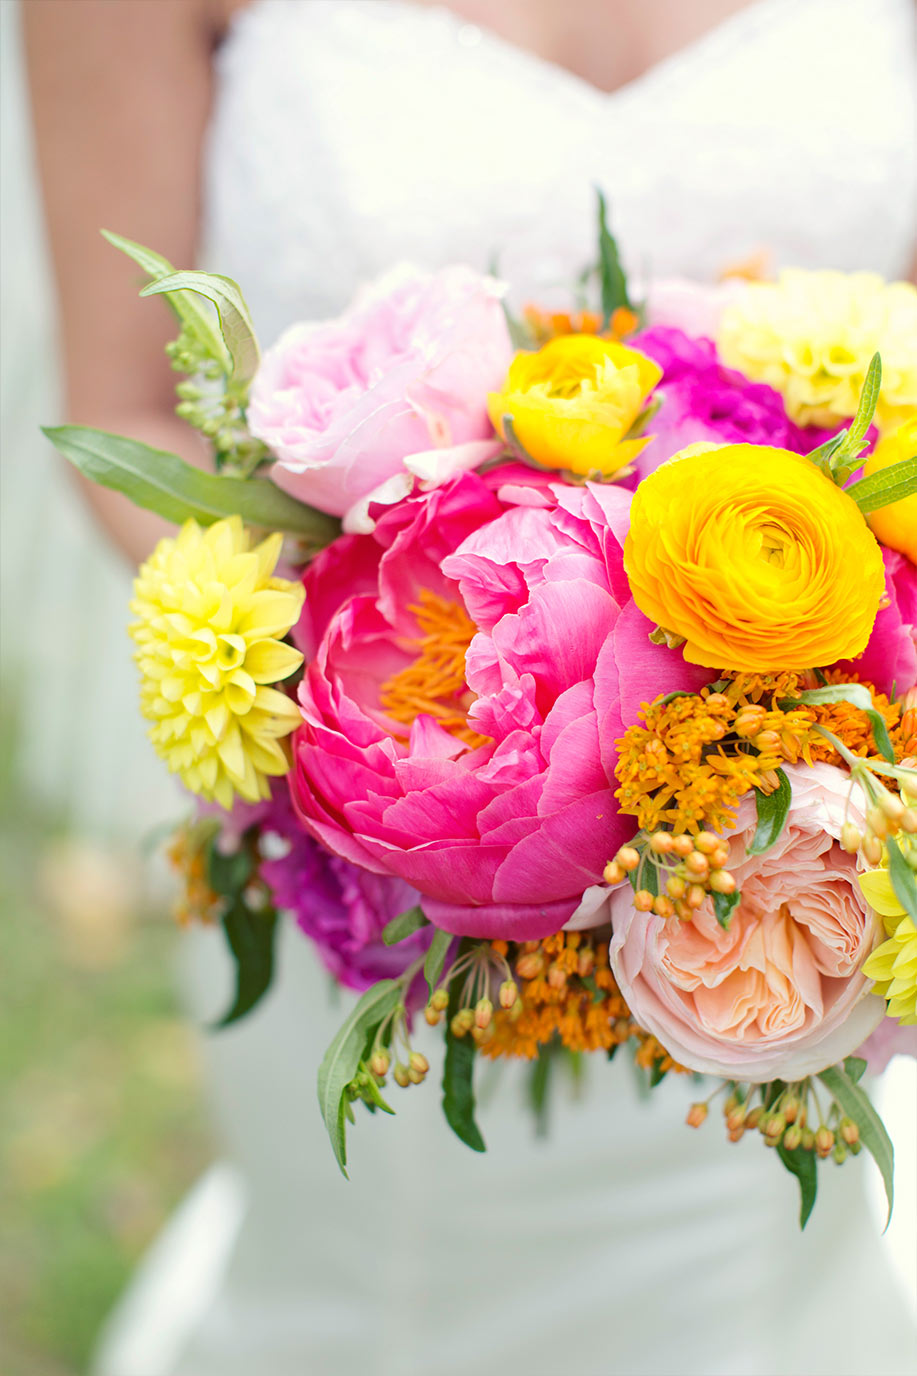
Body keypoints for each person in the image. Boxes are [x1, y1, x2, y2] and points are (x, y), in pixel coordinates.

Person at [24, 2, 917, 1373]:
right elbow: (124, 417)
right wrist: (425, 732)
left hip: (778, 881)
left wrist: (764, 740)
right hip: (379, 821)